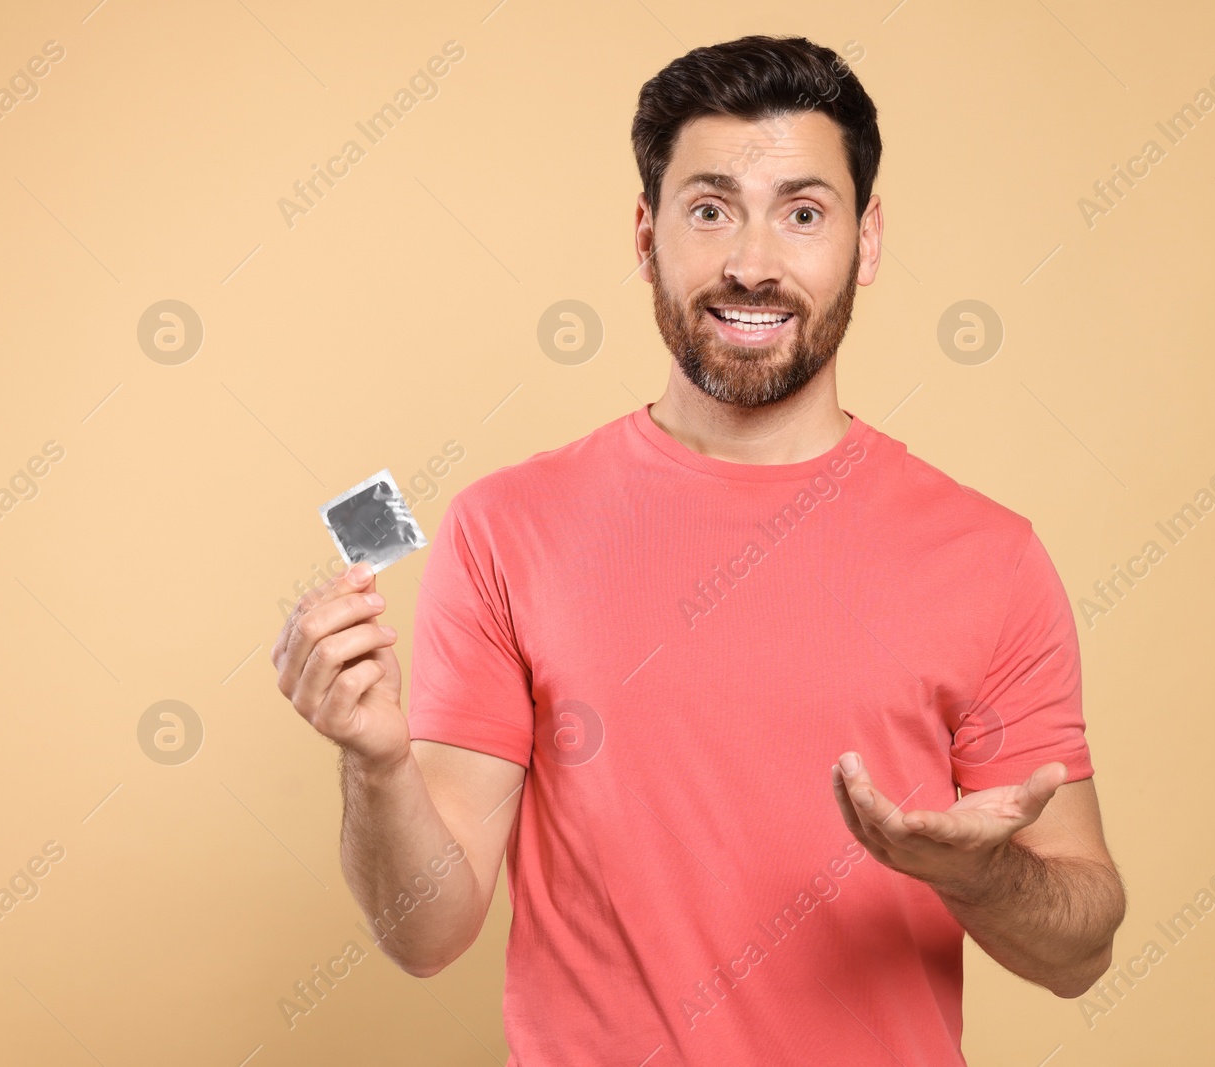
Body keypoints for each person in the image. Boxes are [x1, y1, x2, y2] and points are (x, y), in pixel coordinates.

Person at [274, 33, 1125, 1065]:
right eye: (709, 208)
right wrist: (373, 765)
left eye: (802, 213)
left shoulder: (989, 556)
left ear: (867, 239)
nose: (752, 262)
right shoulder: (507, 528)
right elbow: (426, 929)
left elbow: (1078, 950)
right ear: (646, 235)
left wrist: (974, 872)